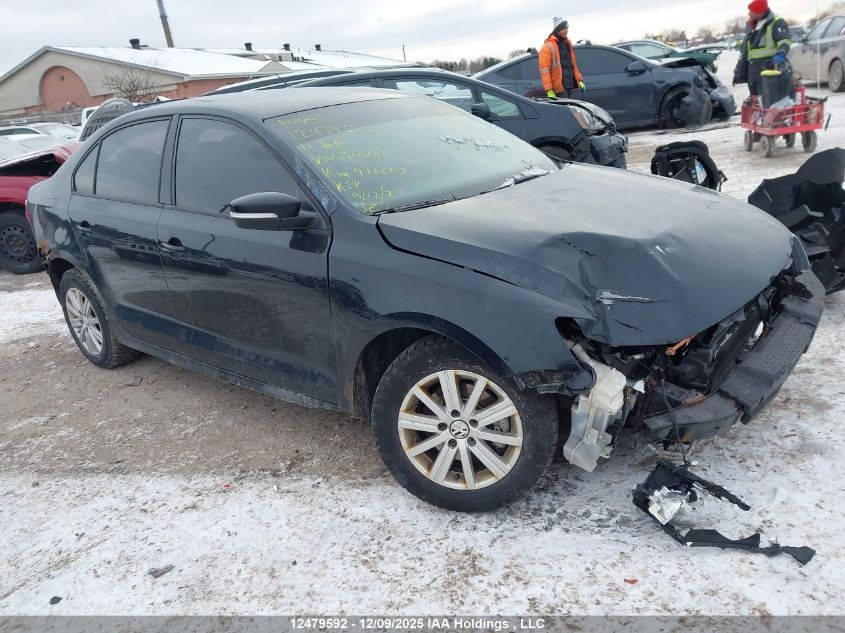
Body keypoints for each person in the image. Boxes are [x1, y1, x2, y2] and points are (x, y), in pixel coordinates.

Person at [733, 0, 792, 96]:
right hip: (753, 76)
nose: (749, 14)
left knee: (767, 105)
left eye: (751, 11)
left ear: (759, 12)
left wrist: (781, 53)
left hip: (768, 74)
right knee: (756, 105)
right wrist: (738, 70)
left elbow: (784, 41)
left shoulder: (776, 22)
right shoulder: (752, 25)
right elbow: (746, 51)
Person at [539, 17, 586, 99]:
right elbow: (544, 70)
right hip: (559, 89)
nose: (566, 30)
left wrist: (580, 80)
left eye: (567, 28)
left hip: (570, 86)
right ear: (558, 31)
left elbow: (573, 65)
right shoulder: (547, 47)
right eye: (564, 28)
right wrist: (549, 90)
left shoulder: (567, 43)